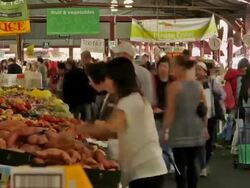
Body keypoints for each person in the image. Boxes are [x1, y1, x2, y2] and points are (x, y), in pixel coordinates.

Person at [77, 57, 167, 188]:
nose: (105, 80)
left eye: (107, 77)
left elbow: (110, 129)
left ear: (116, 79)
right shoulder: (135, 98)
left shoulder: (128, 101)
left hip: (145, 170)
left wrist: (79, 129)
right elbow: (119, 131)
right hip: (149, 168)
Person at [164, 55, 207, 188]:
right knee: (192, 164)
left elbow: (170, 112)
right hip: (195, 130)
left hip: (179, 132)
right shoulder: (198, 86)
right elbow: (204, 110)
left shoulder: (174, 87)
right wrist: (204, 127)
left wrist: (165, 130)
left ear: (180, 68)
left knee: (180, 167)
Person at [112, 41, 156, 106]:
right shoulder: (117, 73)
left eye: (117, 55)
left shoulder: (143, 73)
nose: (115, 58)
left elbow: (149, 98)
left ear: (125, 56)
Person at [153, 55, 173, 171]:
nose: (162, 69)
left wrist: (164, 110)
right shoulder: (153, 80)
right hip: (153, 117)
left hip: (168, 118)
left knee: (165, 144)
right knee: (155, 143)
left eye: (165, 66)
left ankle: (164, 166)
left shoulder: (173, 82)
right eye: (161, 66)